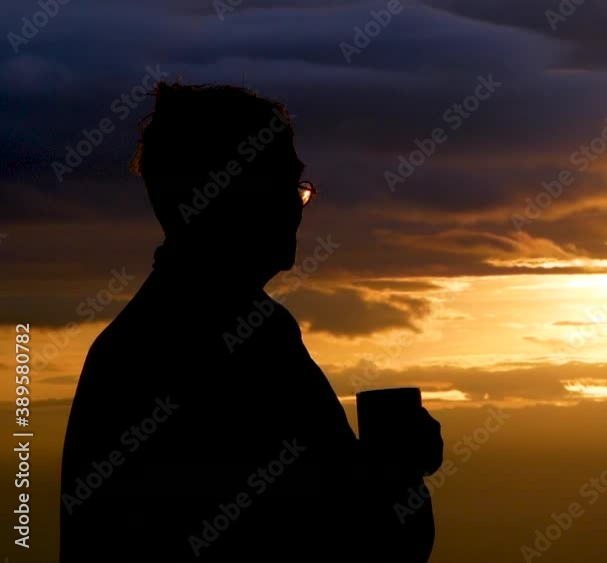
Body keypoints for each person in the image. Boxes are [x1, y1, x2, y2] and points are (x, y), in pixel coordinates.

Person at [59, 82, 443, 562]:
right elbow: (360, 541)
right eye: (283, 182)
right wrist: (398, 469)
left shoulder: (127, 346)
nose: (295, 207)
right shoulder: (250, 345)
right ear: (226, 190)